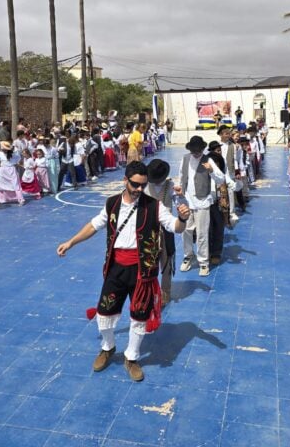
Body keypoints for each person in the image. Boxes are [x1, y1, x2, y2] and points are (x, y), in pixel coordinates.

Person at [56, 161, 190, 382]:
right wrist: (71, 242)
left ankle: (132, 357)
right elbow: (93, 225)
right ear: (125, 180)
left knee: (139, 315)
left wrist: (183, 219)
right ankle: (108, 347)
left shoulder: (154, 206)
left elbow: (174, 227)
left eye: (143, 185)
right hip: (116, 267)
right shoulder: (112, 204)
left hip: (142, 270)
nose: (139, 190)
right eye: (135, 185)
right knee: (105, 310)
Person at [176, 136, 227, 277]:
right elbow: (181, 176)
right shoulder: (185, 159)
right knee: (186, 230)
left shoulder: (208, 160)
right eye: (194, 151)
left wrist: (211, 170)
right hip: (187, 200)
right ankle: (188, 255)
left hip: (202, 201)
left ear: (202, 149)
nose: (196, 153)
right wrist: (179, 188)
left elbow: (221, 179)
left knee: (202, 233)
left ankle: (203, 261)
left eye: (198, 151)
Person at [144, 159, 177, 305]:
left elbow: (181, 203)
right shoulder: (144, 185)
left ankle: (165, 292)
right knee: (147, 261)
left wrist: (181, 197)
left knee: (167, 260)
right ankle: (148, 291)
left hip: (166, 229)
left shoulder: (171, 186)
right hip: (147, 228)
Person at [0, 141, 24, 206]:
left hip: (11, 170)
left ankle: (20, 199)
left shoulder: (14, 154)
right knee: (0, 185)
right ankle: (0, 199)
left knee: (15, 185)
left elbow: (19, 158)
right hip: (3, 170)